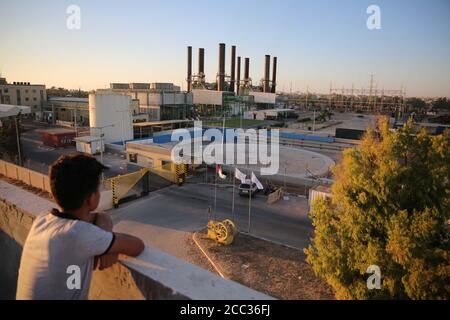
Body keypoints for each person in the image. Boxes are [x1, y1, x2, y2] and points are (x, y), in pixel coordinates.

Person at [16, 153, 145, 300]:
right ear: (91, 199)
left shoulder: (41, 221)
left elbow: (100, 217)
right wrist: (107, 241)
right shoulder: (79, 235)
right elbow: (137, 246)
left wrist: (105, 230)